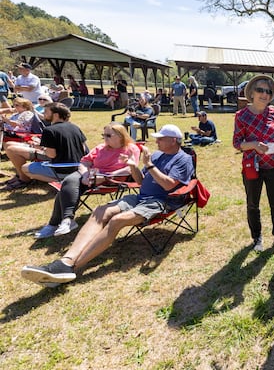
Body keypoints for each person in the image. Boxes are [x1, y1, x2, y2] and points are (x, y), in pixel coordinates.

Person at [20, 124, 194, 287]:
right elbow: (141, 182)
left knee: (117, 220)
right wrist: (133, 167)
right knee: (100, 211)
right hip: (141, 197)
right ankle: (66, 260)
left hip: (162, 202)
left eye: (161, 139)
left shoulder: (183, 159)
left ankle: (71, 268)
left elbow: (169, 185)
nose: (156, 141)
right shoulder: (157, 155)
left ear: (173, 141)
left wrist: (148, 165)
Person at [34, 123, 141, 239]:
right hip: (91, 175)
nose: (105, 138)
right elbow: (84, 162)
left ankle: (55, 223)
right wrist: (85, 174)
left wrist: (107, 176)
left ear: (120, 136)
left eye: (108, 135)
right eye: (103, 135)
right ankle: (67, 220)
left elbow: (130, 168)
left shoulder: (131, 148)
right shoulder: (101, 148)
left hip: (112, 179)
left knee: (66, 188)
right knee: (69, 181)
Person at [233, 75, 274, 254]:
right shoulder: (242, 116)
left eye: (268, 91)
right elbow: (237, 143)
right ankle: (257, 237)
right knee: (253, 204)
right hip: (253, 167)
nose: (264, 94)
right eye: (260, 90)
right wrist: (254, 145)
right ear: (252, 93)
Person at [3, 102, 87, 190]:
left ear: (56, 115)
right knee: (10, 145)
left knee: (25, 168)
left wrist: (41, 148)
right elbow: (83, 148)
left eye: (46, 112)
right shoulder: (74, 127)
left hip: (60, 168)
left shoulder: (49, 130)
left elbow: (51, 155)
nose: (43, 114)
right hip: (77, 166)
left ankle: (62, 182)